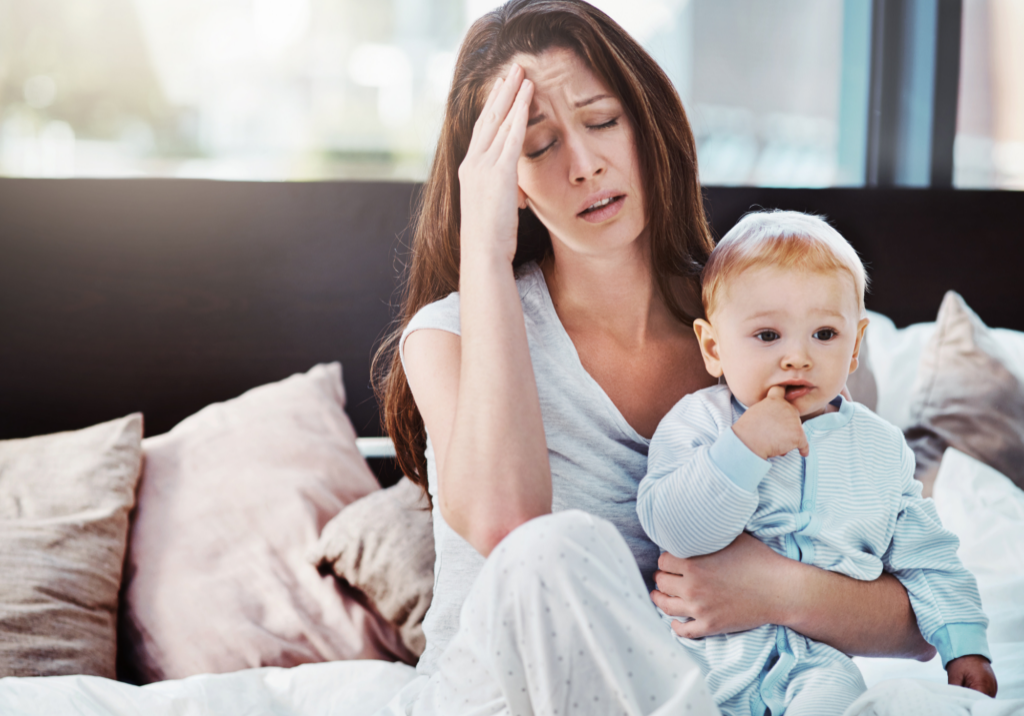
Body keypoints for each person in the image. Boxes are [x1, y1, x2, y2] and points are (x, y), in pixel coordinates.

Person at [374, 1, 936, 713]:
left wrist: (772, 589)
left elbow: (921, 614)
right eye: (539, 146)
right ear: (503, 181)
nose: (585, 165)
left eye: (603, 120)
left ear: (647, 123)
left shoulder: (783, 337)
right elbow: (508, 525)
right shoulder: (449, 334)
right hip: (501, 694)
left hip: (703, 691)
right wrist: (483, 251)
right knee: (550, 551)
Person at [637, 211, 997, 716]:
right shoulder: (701, 424)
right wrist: (743, 448)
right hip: (703, 656)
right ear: (714, 347)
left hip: (816, 664)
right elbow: (673, 530)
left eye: (824, 334)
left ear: (855, 347)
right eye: (768, 336)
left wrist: (965, 644)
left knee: (840, 697)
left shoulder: (880, 447)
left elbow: (928, 555)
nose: (797, 358)